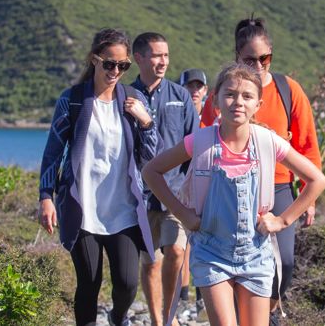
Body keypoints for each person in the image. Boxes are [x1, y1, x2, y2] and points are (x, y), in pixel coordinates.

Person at [142, 62, 325, 326]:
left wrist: (283, 221)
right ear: (215, 100)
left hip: (256, 251)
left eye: (247, 96)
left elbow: (317, 180)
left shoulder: (268, 142)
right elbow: (151, 171)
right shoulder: (201, 141)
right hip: (211, 252)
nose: (238, 102)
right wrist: (183, 214)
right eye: (229, 94)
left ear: (258, 105)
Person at [200, 17, 322, 323]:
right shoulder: (225, 93)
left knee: (287, 262)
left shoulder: (288, 90)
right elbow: (203, 140)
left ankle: (266, 313)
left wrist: (310, 199)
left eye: (265, 58)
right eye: (251, 59)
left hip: (278, 186)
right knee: (231, 257)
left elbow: (307, 142)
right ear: (238, 57)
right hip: (227, 186)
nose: (259, 65)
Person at [38, 28, 160, 326]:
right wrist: (46, 196)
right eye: (109, 64)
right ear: (94, 60)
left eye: (123, 66)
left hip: (124, 211)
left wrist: (146, 123)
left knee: (128, 283)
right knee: (89, 283)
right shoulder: (73, 101)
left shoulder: (133, 100)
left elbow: (150, 156)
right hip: (83, 210)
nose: (115, 71)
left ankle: (118, 318)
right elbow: (53, 152)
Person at [131, 32, 199, 326]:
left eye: (166, 56)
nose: (163, 61)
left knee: (175, 251)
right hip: (140, 196)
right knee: (149, 261)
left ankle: (169, 318)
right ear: (139, 58)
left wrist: (192, 188)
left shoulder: (180, 95)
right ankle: (158, 321)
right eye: (157, 55)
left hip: (175, 192)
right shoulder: (126, 95)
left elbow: (195, 144)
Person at [179, 68, 209, 318]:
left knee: (202, 241)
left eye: (199, 86)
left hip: (207, 187)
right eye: (190, 86)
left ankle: (202, 298)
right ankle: (182, 296)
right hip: (182, 185)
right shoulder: (177, 115)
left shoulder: (212, 119)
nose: (195, 90)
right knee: (183, 244)